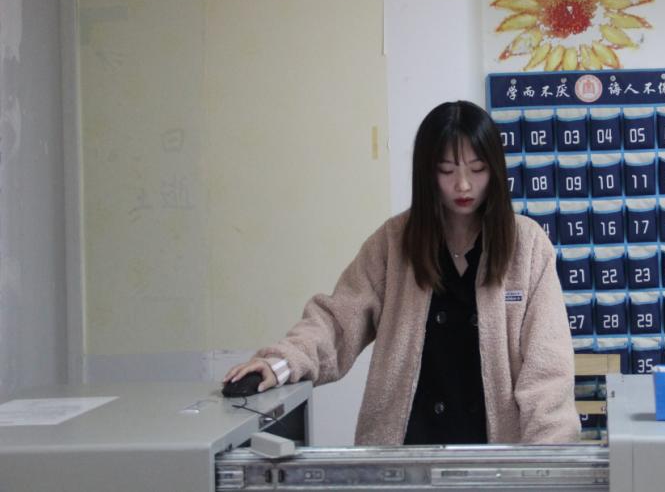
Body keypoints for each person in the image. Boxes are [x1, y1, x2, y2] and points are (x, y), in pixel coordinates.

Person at [223, 100, 580, 445]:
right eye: (447, 170)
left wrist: (549, 461)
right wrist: (283, 362)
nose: (463, 185)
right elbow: (338, 320)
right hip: (405, 452)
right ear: (427, 173)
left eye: (477, 169)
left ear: (496, 170)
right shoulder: (394, 242)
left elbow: (547, 369)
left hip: (494, 458)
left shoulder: (527, 246)